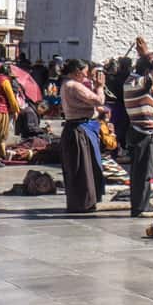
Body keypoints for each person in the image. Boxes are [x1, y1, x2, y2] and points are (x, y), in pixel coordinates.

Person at [123, 41, 153, 217]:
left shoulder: (130, 81)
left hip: (137, 130)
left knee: (139, 171)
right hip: (145, 133)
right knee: (144, 172)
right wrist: (147, 53)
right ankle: (141, 206)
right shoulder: (140, 82)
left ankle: (141, 203)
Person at [59, 59, 106, 213]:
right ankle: (84, 202)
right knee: (83, 169)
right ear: (77, 71)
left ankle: (83, 201)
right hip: (79, 130)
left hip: (77, 128)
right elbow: (98, 100)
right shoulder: (74, 86)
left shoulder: (67, 84)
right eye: (85, 72)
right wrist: (100, 87)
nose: (87, 75)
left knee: (82, 168)